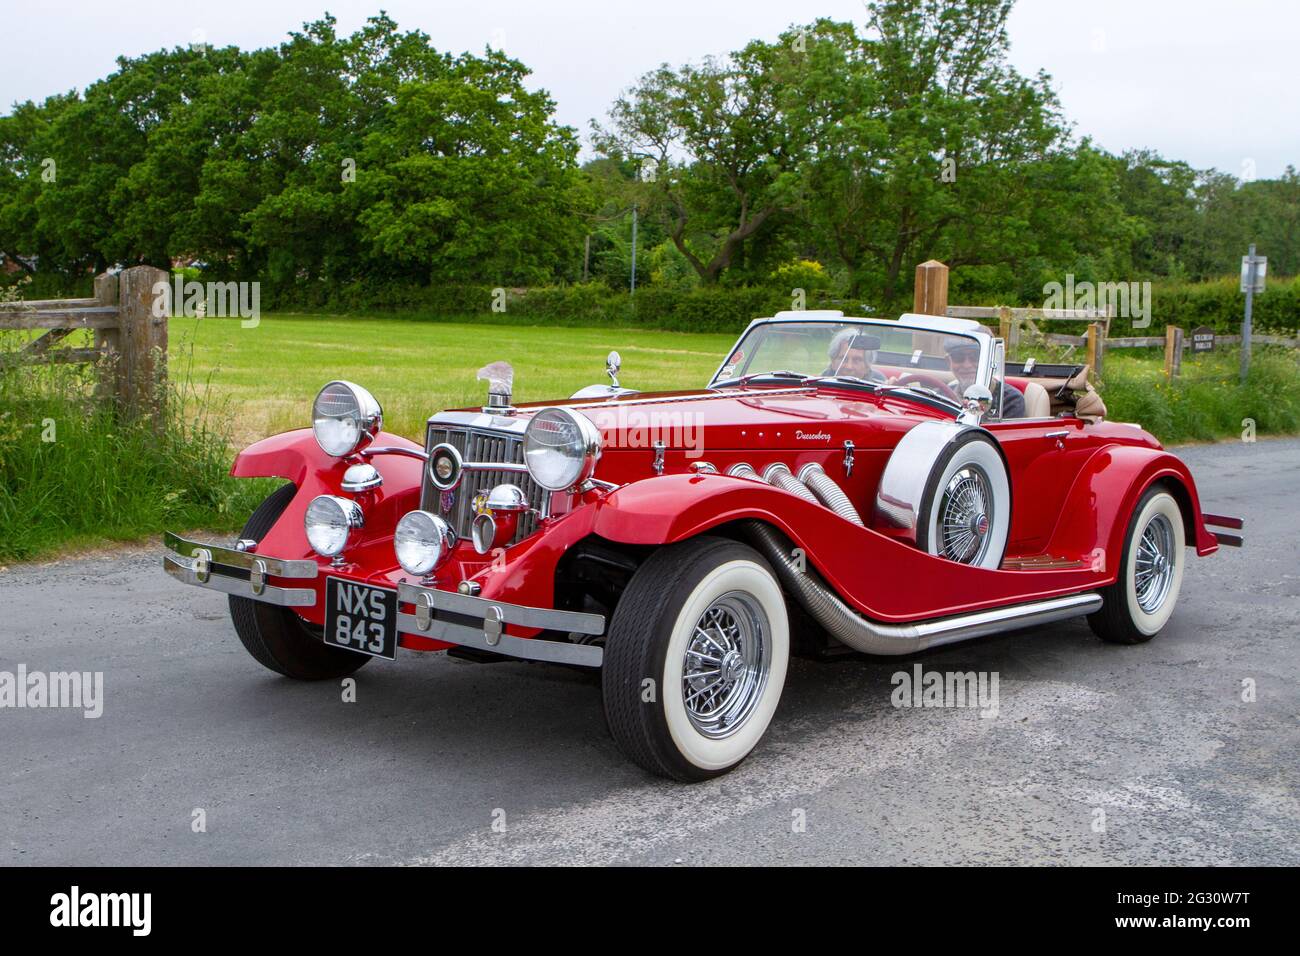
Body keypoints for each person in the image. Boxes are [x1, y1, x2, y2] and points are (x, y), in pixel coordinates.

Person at [944, 334, 1025, 418]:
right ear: (948, 362)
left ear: (990, 360)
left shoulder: (1010, 400)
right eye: (958, 357)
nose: (967, 365)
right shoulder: (942, 394)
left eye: (976, 357)